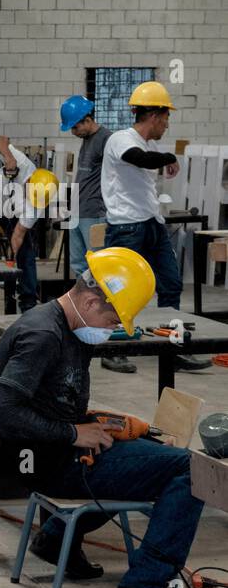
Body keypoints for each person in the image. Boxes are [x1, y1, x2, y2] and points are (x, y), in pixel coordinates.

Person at [0, 247, 206, 588]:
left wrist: (90, 423)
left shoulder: (69, 326)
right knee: (191, 471)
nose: (110, 328)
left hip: (52, 455)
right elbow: (3, 413)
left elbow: (50, 400)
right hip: (50, 464)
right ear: (89, 300)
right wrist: (75, 433)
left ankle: (55, 540)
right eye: (111, 318)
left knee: (150, 455)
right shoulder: (43, 335)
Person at [100, 80, 208, 371]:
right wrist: (169, 158)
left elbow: (149, 158)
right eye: (166, 117)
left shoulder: (151, 143)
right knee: (120, 290)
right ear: (154, 116)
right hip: (126, 226)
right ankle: (113, 348)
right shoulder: (122, 139)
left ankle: (170, 347)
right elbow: (141, 160)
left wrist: (164, 157)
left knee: (171, 284)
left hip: (151, 224)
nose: (168, 124)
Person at [60, 95, 131, 374]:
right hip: (79, 213)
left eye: (75, 127)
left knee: (103, 278)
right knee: (81, 272)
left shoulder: (107, 139)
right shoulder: (87, 141)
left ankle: (110, 343)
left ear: (87, 119)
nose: (73, 132)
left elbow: (122, 175)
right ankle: (84, 331)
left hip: (96, 214)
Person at [0, 135, 51, 315]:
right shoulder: (24, 165)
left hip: (12, 213)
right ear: (31, 181)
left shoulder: (37, 204)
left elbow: (18, 235)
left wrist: (12, 259)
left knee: (26, 254)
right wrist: (9, 157)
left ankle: (28, 302)